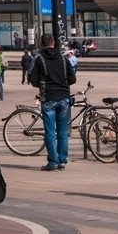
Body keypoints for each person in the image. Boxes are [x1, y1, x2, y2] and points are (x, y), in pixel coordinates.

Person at [28, 34, 76, 171]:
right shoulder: (63, 58)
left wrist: (42, 85)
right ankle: (62, 161)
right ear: (54, 43)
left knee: (50, 131)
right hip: (63, 97)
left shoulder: (38, 58)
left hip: (48, 97)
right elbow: (72, 78)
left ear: (42, 44)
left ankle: (53, 162)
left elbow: (32, 77)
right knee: (62, 131)